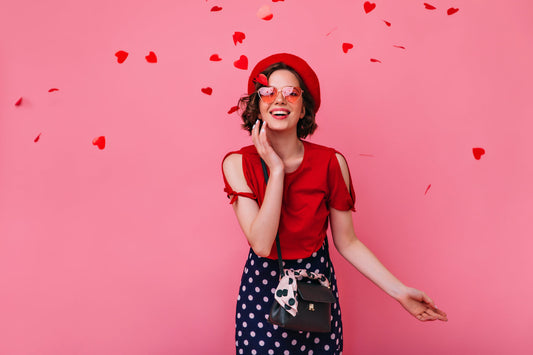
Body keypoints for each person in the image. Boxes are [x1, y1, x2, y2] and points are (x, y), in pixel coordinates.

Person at [221, 53, 448, 355]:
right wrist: (276, 171)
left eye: (292, 93)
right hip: (263, 296)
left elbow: (348, 242)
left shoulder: (330, 162)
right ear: (257, 106)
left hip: (316, 295)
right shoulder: (237, 164)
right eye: (268, 92)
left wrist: (400, 292)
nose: (280, 100)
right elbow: (262, 244)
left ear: (304, 109)